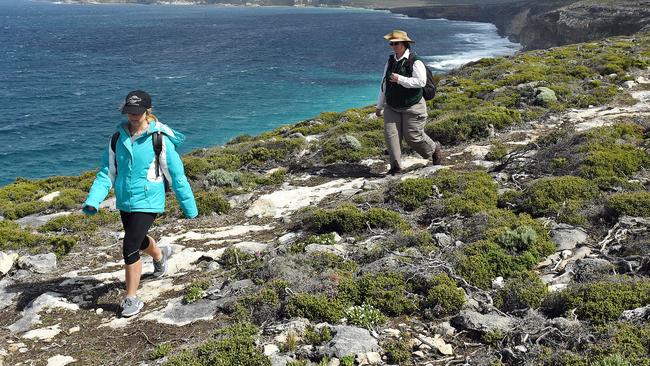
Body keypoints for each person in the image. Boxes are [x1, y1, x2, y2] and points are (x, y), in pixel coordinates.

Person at [82, 90, 198, 317]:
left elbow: (176, 175)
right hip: (125, 200)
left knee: (129, 245)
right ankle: (159, 255)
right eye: (129, 112)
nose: (133, 116)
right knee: (138, 239)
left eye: (137, 112)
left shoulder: (159, 138)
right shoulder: (117, 138)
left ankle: (131, 298)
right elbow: (107, 173)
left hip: (149, 199)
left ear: (147, 111)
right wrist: (94, 200)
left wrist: (189, 206)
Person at [375, 30, 442, 175]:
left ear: (404, 44)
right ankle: (396, 168)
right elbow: (384, 84)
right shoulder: (390, 61)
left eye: (396, 43)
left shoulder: (415, 61)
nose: (393, 46)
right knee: (391, 136)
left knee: (413, 137)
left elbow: (421, 82)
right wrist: (379, 106)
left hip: (413, 106)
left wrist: (400, 79)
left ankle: (434, 148)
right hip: (392, 106)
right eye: (391, 43)